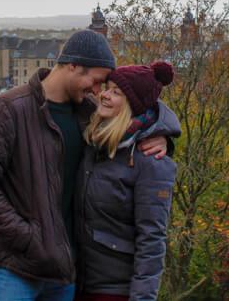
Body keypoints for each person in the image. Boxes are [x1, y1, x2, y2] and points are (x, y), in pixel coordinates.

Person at [0, 30, 168, 301]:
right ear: (73, 65)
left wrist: (161, 134)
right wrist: (28, 240)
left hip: (65, 273)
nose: (98, 92)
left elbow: (139, 107)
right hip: (16, 269)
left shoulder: (88, 113)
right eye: (95, 81)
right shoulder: (9, 108)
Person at [74, 61, 180, 301]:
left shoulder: (151, 161)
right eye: (107, 88)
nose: (105, 95)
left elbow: (152, 238)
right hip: (78, 282)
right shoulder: (95, 144)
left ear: (133, 105)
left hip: (115, 290)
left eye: (116, 92)